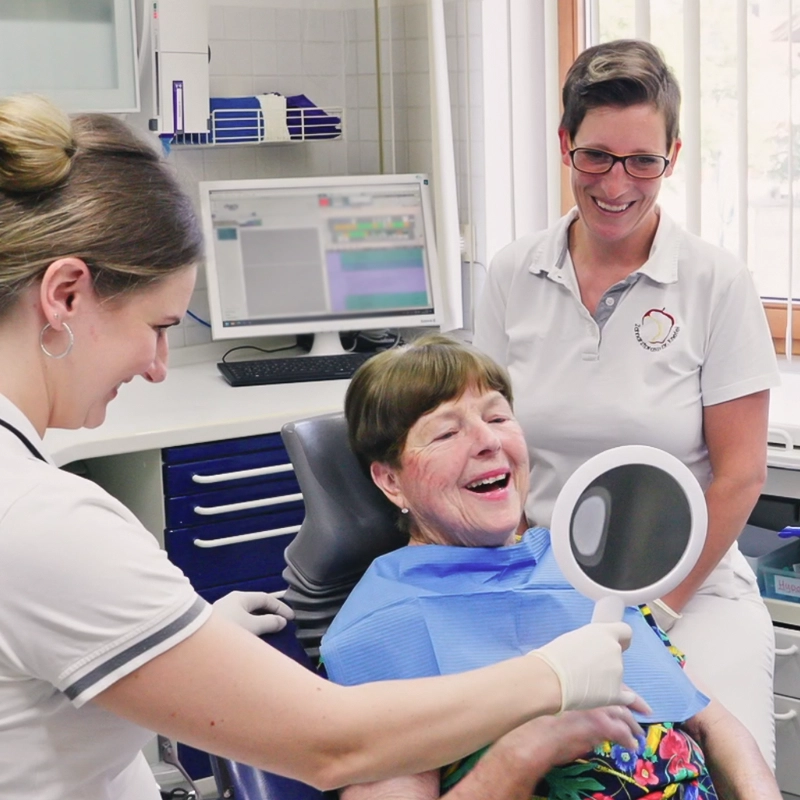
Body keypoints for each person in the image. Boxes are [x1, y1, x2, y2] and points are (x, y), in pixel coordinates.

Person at [0, 94, 642, 800]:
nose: (157, 364)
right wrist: (553, 677)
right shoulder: (42, 524)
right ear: (63, 295)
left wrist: (186, 637)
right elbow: (333, 745)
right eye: (158, 326)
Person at [473, 39, 780, 766]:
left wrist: (659, 610)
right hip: (547, 581)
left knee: (722, 765)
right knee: (543, 766)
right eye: (596, 157)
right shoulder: (514, 273)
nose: (617, 183)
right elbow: (490, 449)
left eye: (642, 160)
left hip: (691, 587)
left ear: (672, 157)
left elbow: (739, 477)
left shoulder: (715, 282)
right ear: (564, 146)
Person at [321, 333, 781, 800]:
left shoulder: (575, 566)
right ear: (391, 480)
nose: (488, 441)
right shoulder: (382, 627)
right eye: (446, 432)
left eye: (498, 416)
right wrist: (523, 753)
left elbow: (713, 722)